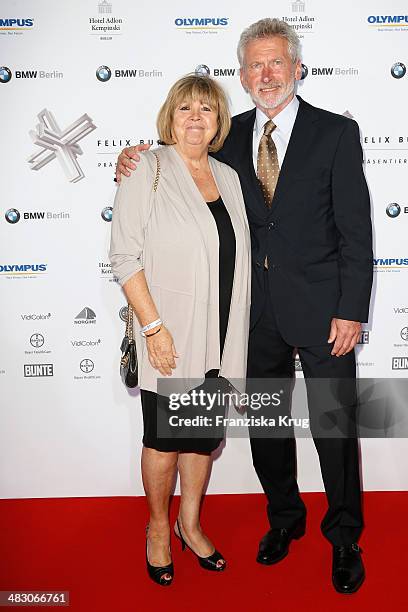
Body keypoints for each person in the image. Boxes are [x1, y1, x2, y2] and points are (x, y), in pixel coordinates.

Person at [115, 18, 373, 594]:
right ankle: (285, 521)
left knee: (334, 428)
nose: (266, 74)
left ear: (297, 67)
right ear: (242, 74)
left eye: (277, 62)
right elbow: (178, 156)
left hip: (326, 312)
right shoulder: (227, 136)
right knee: (268, 429)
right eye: (255, 65)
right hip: (250, 318)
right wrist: (133, 156)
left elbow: (357, 231)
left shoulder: (335, 133)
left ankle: (345, 537)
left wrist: (352, 308)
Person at [109, 74, 251, 586]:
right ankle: (157, 530)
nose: (195, 117)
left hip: (220, 339)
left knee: (200, 441)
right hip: (170, 336)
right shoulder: (144, 168)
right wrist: (153, 328)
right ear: (170, 116)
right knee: (165, 441)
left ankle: (190, 525)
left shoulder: (229, 177)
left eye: (207, 110)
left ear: (219, 123)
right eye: (186, 107)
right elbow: (124, 257)